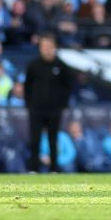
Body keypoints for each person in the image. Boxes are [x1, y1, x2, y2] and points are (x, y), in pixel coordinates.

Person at [24, 34, 75, 173]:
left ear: (54, 48)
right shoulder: (33, 65)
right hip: (36, 109)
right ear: (40, 48)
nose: (46, 50)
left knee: (53, 139)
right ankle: (33, 169)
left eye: (49, 47)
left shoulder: (61, 66)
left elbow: (68, 87)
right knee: (35, 139)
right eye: (44, 47)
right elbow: (27, 86)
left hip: (54, 110)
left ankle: (54, 169)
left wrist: (62, 105)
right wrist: (29, 104)